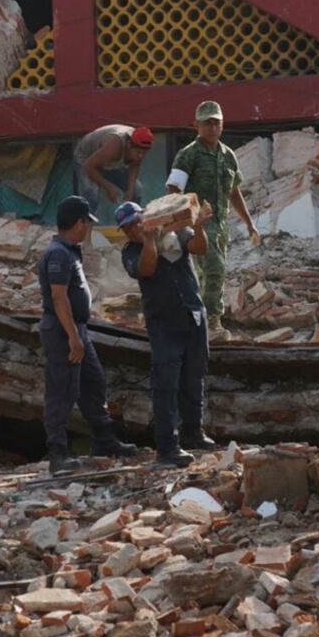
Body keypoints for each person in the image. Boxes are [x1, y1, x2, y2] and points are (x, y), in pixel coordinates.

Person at [38, 196, 138, 474]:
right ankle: (58, 453)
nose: (88, 229)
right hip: (62, 330)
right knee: (62, 389)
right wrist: (72, 336)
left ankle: (105, 439)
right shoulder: (58, 253)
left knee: (93, 382)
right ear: (78, 222)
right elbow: (59, 298)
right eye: (86, 223)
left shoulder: (70, 251)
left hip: (77, 328)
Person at [116, 201, 217, 469]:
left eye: (136, 221)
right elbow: (146, 268)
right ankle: (168, 447)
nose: (134, 229)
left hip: (193, 314)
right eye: (127, 227)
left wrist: (197, 224)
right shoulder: (130, 251)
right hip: (163, 323)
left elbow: (200, 247)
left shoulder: (175, 233)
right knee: (166, 385)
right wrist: (149, 240)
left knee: (194, 377)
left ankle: (193, 432)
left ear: (145, 217)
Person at [167, 100, 261, 342]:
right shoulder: (188, 155)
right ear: (196, 125)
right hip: (197, 225)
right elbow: (174, 189)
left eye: (216, 123)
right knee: (214, 269)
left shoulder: (228, 156)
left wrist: (249, 223)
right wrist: (184, 220)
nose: (212, 127)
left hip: (220, 225)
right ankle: (212, 321)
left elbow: (234, 192)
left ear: (222, 125)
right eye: (207, 123)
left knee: (205, 274)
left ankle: (195, 320)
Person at [74, 125, 154, 217]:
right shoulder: (114, 145)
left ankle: (132, 224)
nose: (140, 156)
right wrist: (109, 188)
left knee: (137, 191)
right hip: (86, 159)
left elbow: (134, 167)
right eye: (138, 152)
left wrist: (130, 191)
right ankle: (84, 228)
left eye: (144, 153)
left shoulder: (139, 147)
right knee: (91, 195)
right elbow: (88, 166)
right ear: (128, 145)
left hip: (107, 163)